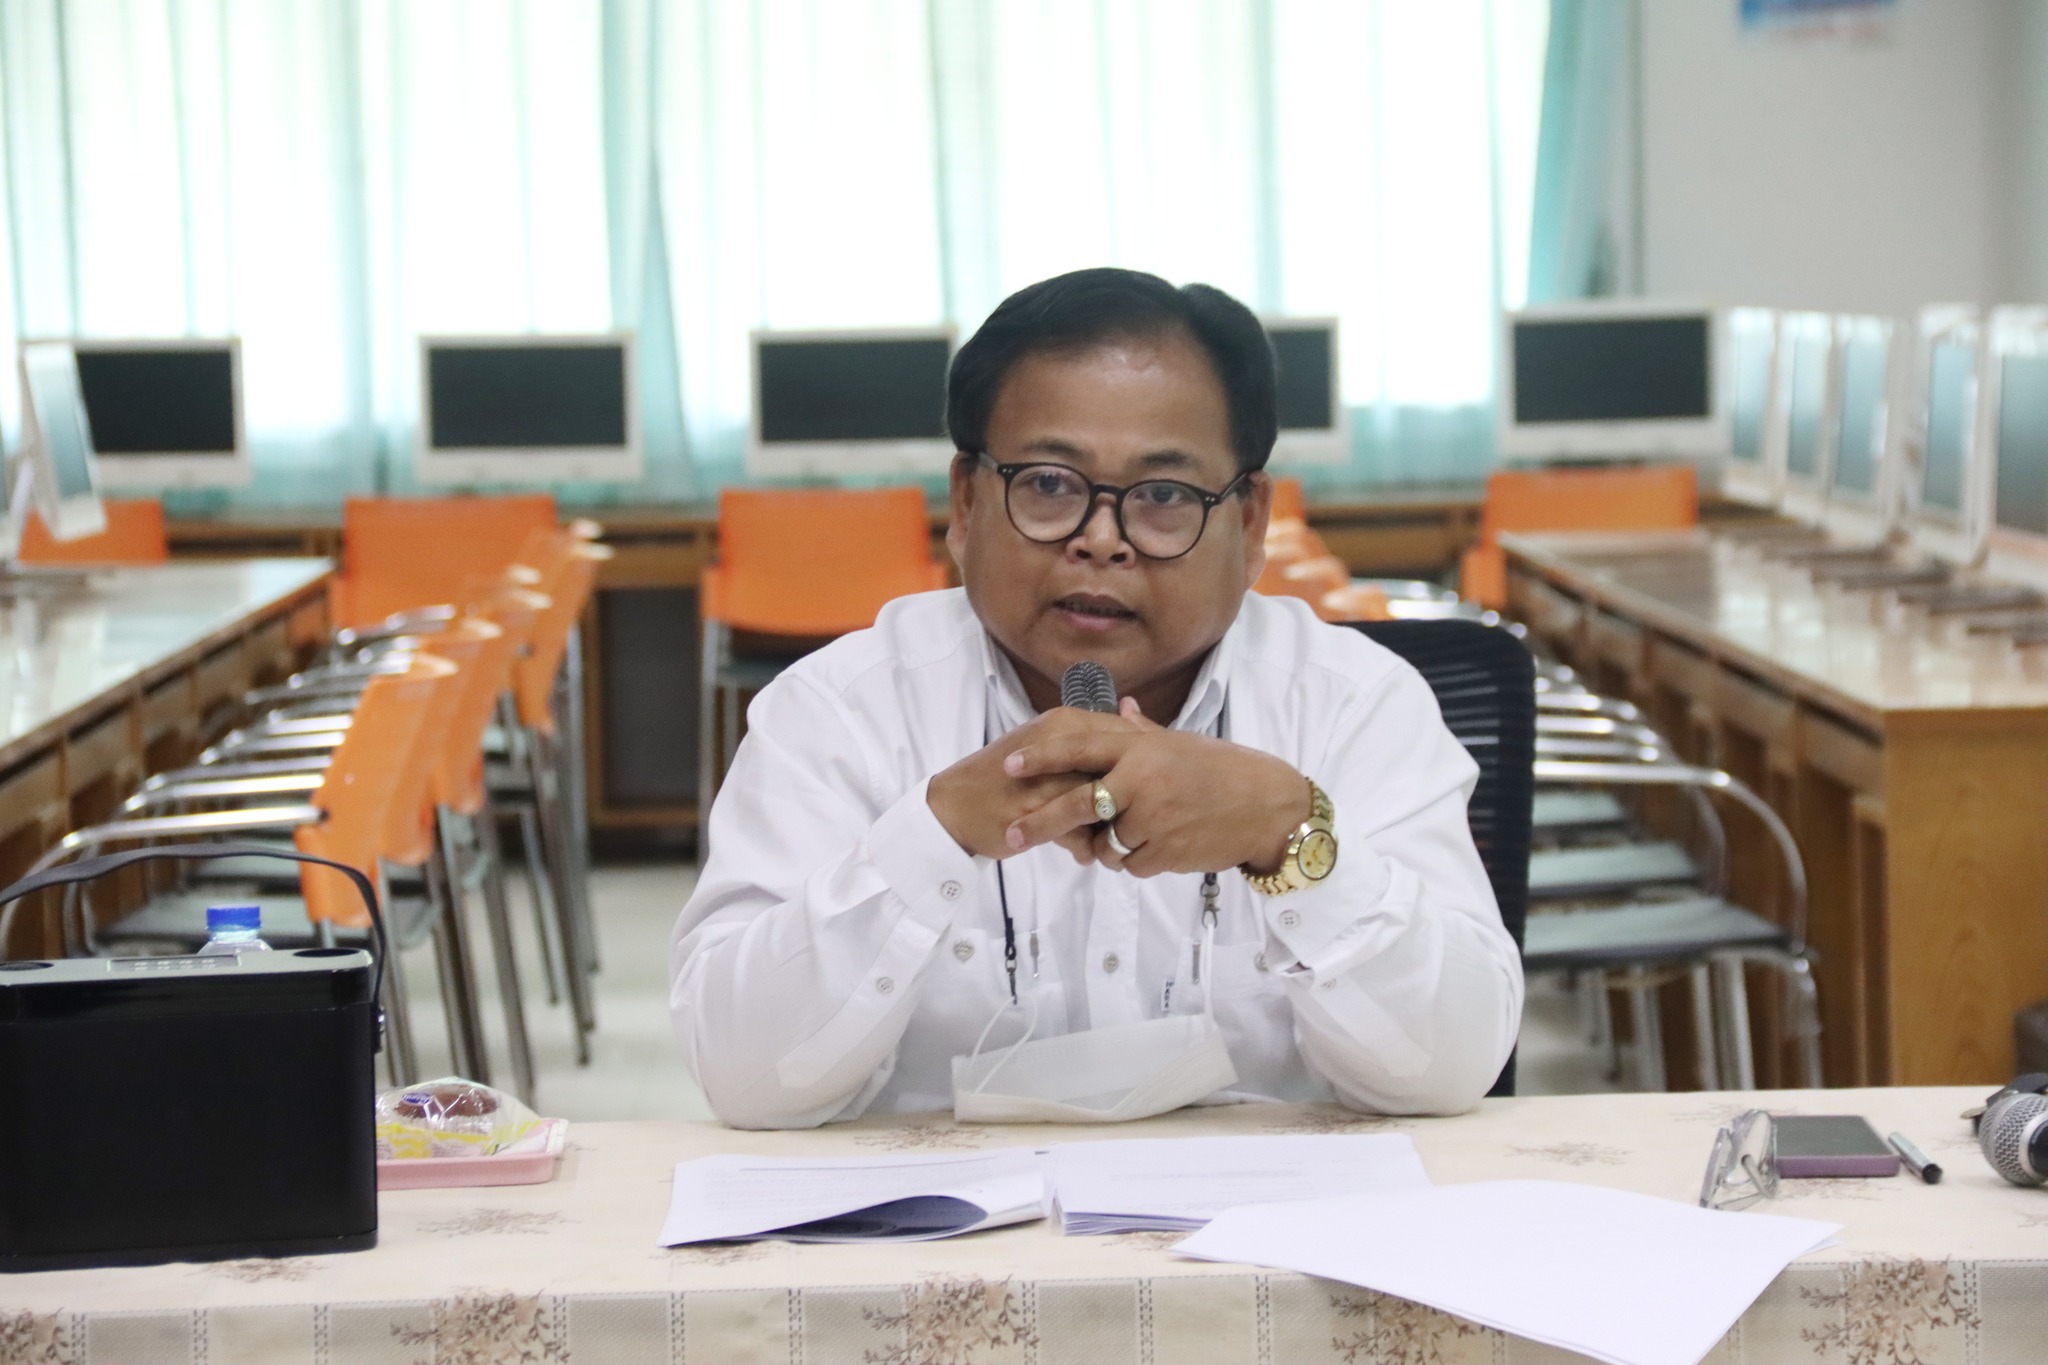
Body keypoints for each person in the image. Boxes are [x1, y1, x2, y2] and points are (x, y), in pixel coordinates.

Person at [671, 267, 1522, 1129]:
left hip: (1275, 1209)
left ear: (1248, 521)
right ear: (966, 502)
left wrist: (1290, 832)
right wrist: (932, 835)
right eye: (1049, 484)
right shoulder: (838, 711)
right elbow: (745, 1081)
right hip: (939, 1213)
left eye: (1164, 496)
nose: (1101, 540)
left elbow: (1453, 1068)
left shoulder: (1355, 704)